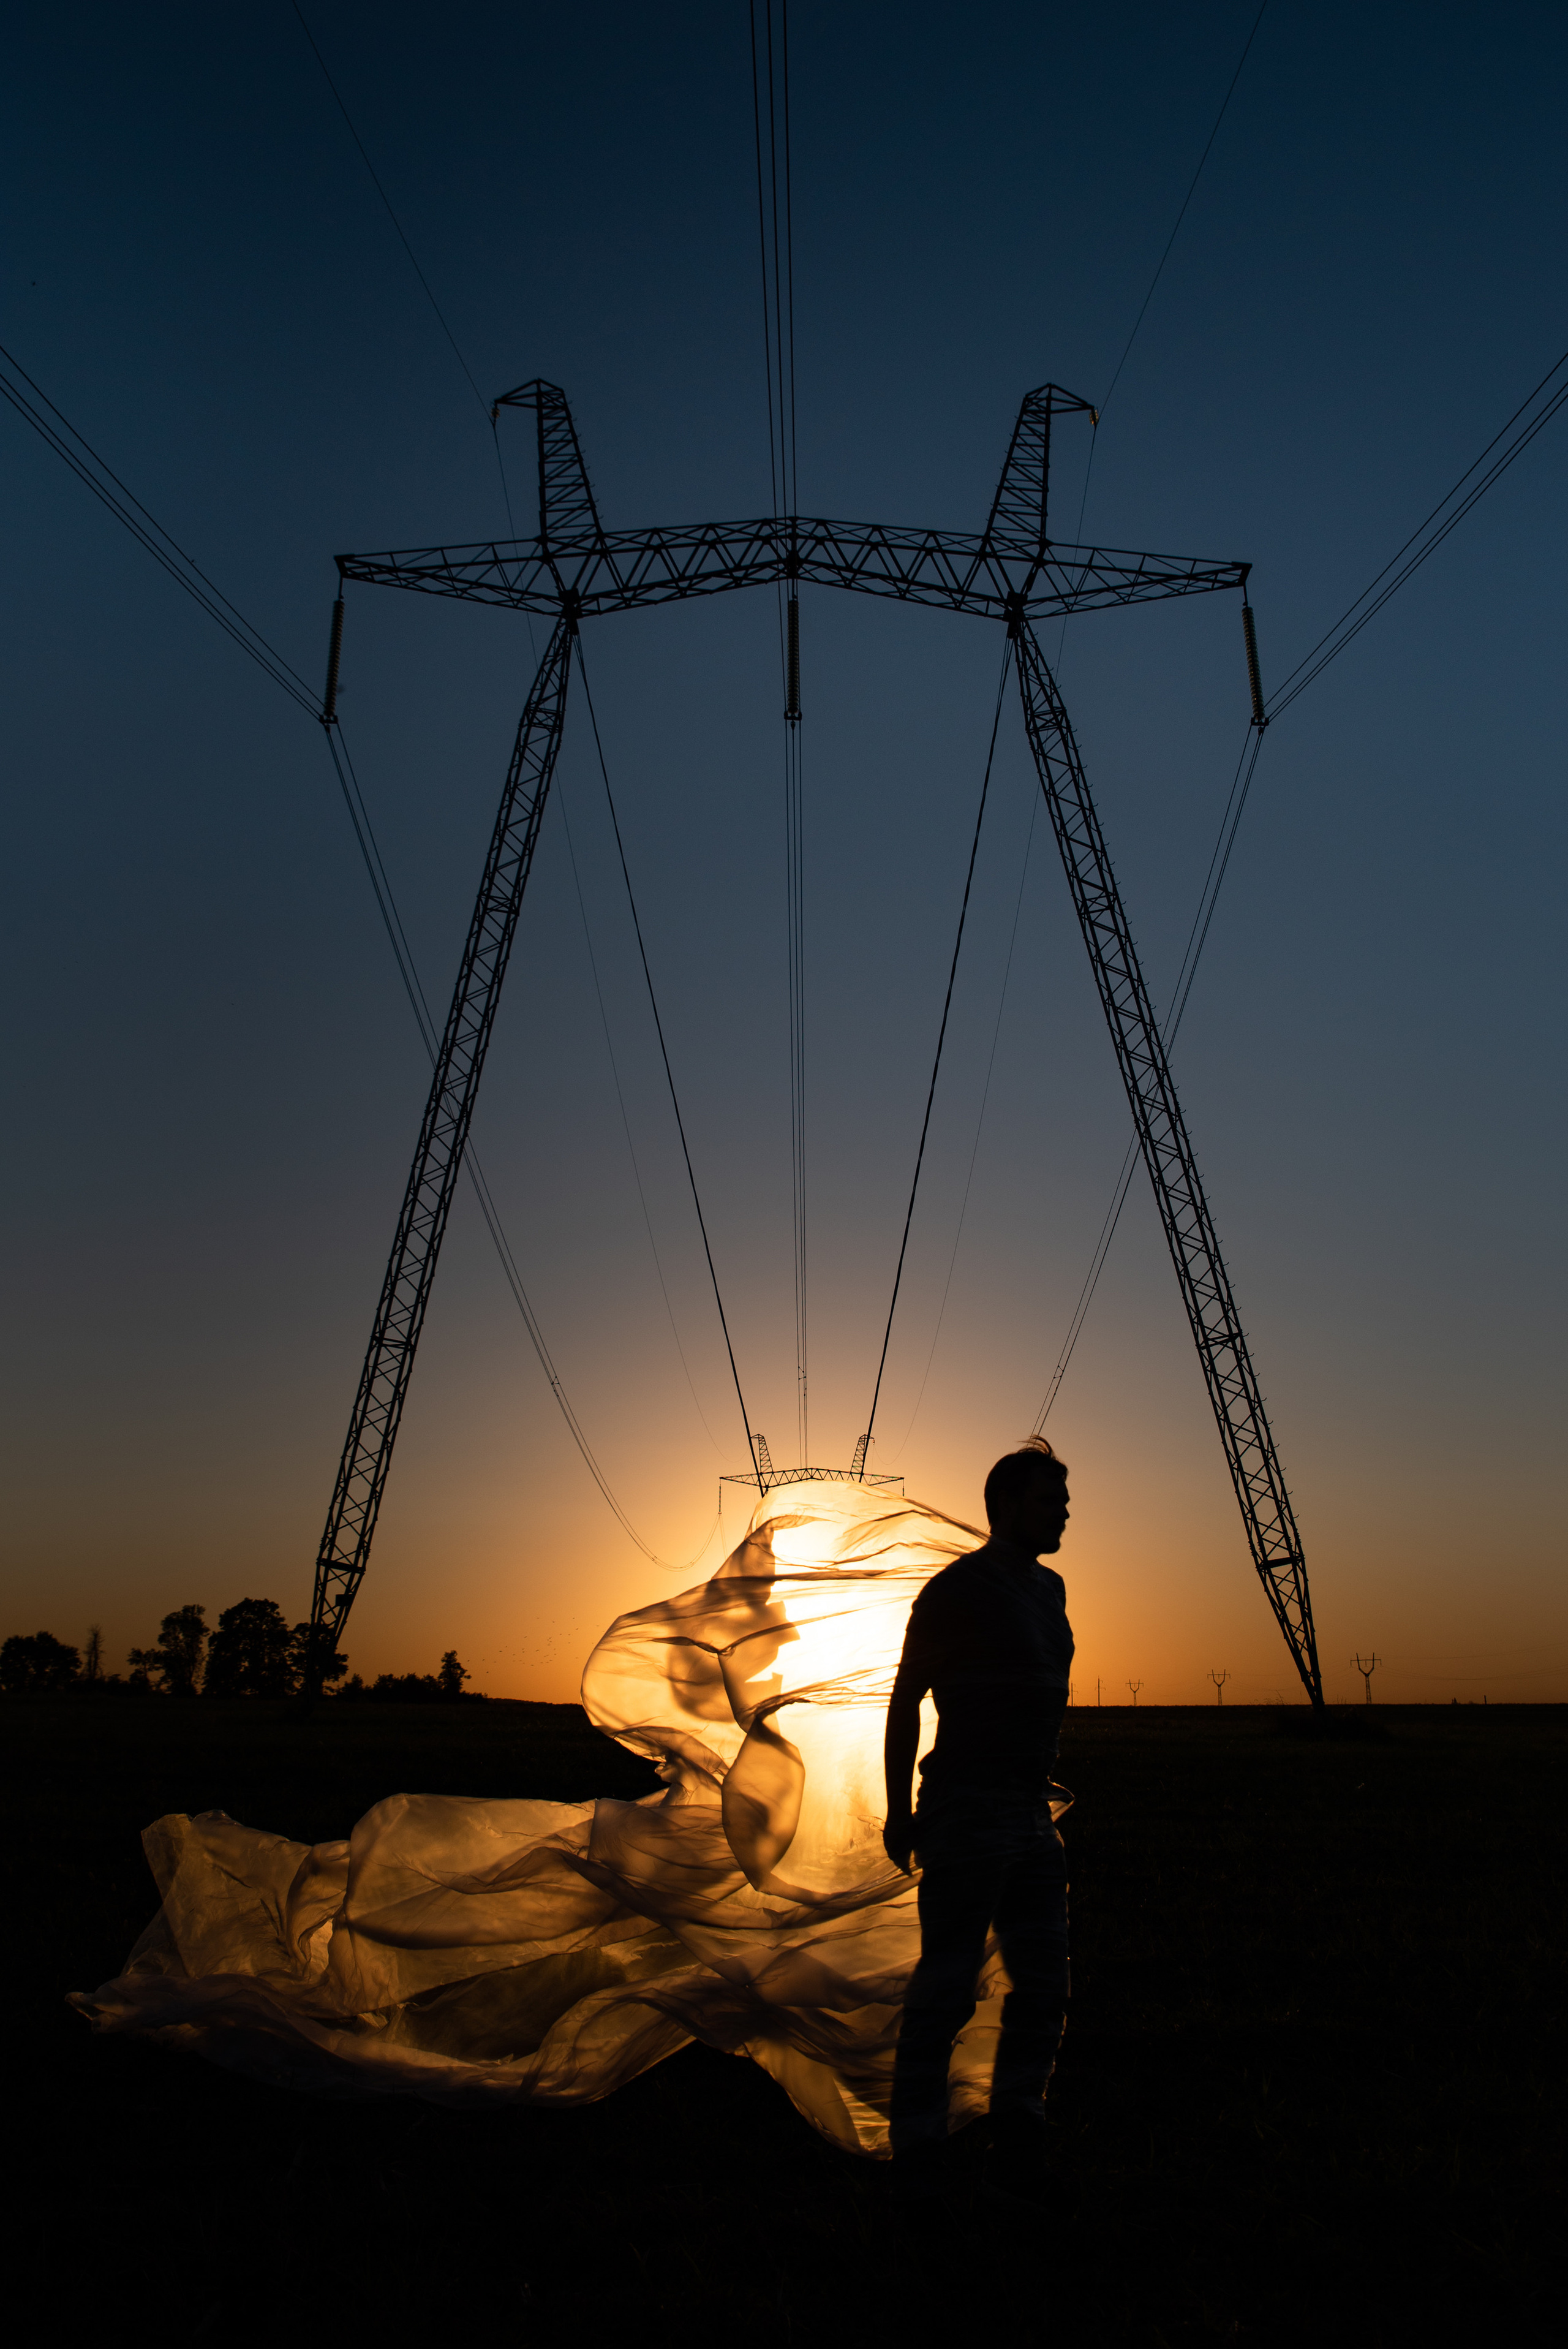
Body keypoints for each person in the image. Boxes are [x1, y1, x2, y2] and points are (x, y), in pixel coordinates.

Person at [883, 1437, 1074, 2199]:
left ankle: (1020, 2114)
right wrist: (900, 1812)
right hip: (965, 1812)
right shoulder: (955, 1591)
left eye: (1065, 1500)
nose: (1063, 1512)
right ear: (1004, 1507)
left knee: (1045, 1978)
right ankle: (919, 2140)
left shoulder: (1051, 1590)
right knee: (949, 1984)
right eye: (1048, 1499)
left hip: (1031, 1815)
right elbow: (905, 1700)